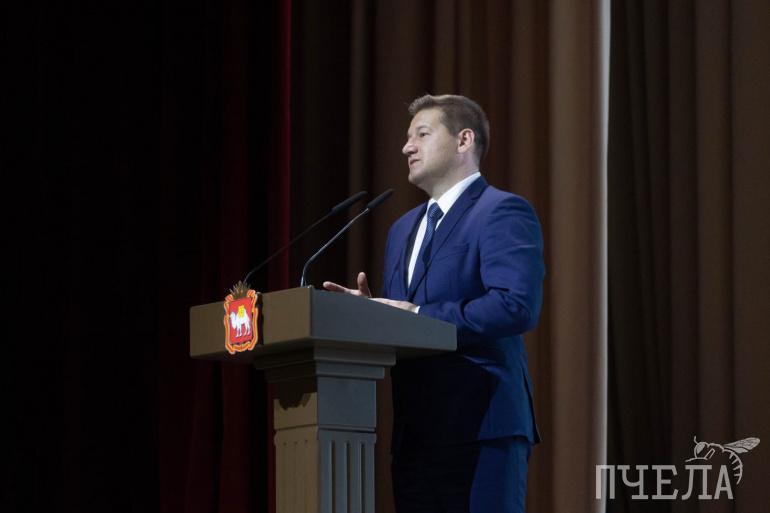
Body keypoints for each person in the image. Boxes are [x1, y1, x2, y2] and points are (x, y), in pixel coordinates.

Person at [323, 94, 544, 513]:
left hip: (481, 427)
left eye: (422, 134)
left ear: (464, 140)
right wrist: (370, 316)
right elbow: (403, 322)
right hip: (415, 434)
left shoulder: (501, 211)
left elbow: (515, 305)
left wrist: (419, 316)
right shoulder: (401, 230)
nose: (407, 147)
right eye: (408, 137)